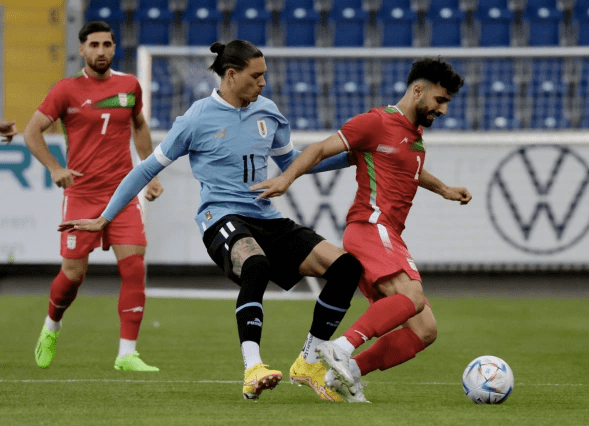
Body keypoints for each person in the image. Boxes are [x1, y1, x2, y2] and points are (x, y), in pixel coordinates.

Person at [59, 40, 363, 401]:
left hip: (267, 216)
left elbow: (291, 162)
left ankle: (309, 360)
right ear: (231, 75)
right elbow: (146, 169)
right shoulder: (196, 118)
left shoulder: (268, 112)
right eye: (256, 76)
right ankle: (253, 367)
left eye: (264, 75)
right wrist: (104, 217)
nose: (264, 83)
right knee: (256, 264)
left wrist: (352, 157)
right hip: (221, 217)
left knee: (346, 268)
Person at [251, 57, 472, 402]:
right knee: (411, 297)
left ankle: (347, 372)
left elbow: (405, 169)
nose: (443, 109)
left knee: (425, 330)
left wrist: (443, 189)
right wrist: (286, 178)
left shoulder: (414, 135)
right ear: (418, 91)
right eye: (440, 100)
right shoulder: (376, 122)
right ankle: (340, 347)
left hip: (387, 234)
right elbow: (320, 149)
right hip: (370, 226)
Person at [24, 21, 163, 372]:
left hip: (123, 193)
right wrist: (55, 168)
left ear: (114, 48)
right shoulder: (66, 90)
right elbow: (32, 131)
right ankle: (52, 325)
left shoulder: (129, 85)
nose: (102, 51)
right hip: (82, 195)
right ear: (82, 49)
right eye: (94, 45)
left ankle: (126, 354)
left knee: (134, 268)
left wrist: (149, 173)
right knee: (73, 274)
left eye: (108, 44)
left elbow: (139, 125)